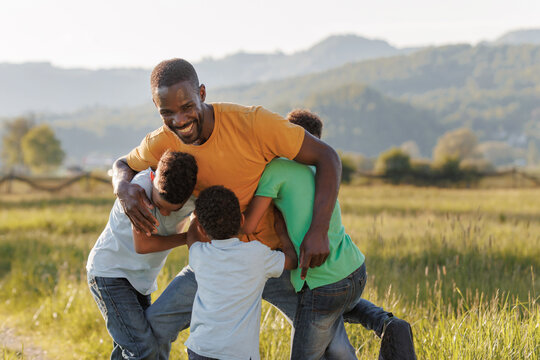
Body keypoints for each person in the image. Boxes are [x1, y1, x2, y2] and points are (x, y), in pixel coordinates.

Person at [111, 58, 343, 357]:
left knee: (329, 345)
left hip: (275, 259)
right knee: (152, 330)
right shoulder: (162, 140)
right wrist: (123, 190)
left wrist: (319, 230)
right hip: (215, 261)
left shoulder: (254, 123)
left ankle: (379, 321)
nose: (179, 120)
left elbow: (327, 157)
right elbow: (123, 164)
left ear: (202, 94)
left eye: (186, 107)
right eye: (167, 112)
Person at [259, 109, 416, 360]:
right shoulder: (324, 174)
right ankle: (384, 322)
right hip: (354, 270)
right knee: (339, 302)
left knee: (313, 334)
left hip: (323, 283)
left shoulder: (278, 170)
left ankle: (382, 322)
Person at [87, 151, 197, 359]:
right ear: (154, 180)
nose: (164, 213)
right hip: (110, 275)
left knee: (135, 346)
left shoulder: (192, 195)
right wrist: (187, 237)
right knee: (142, 349)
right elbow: (144, 245)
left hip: (141, 281)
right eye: (160, 206)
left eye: (173, 210)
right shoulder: (140, 189)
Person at [184, 186, 297, 360]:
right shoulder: (257, 254)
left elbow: (191, 238)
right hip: (238, 354)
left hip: (200, 348)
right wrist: (280, 229)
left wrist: (194, 219)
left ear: (203, 230)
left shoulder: (199, 254)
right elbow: (292, 260)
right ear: (242, 220)